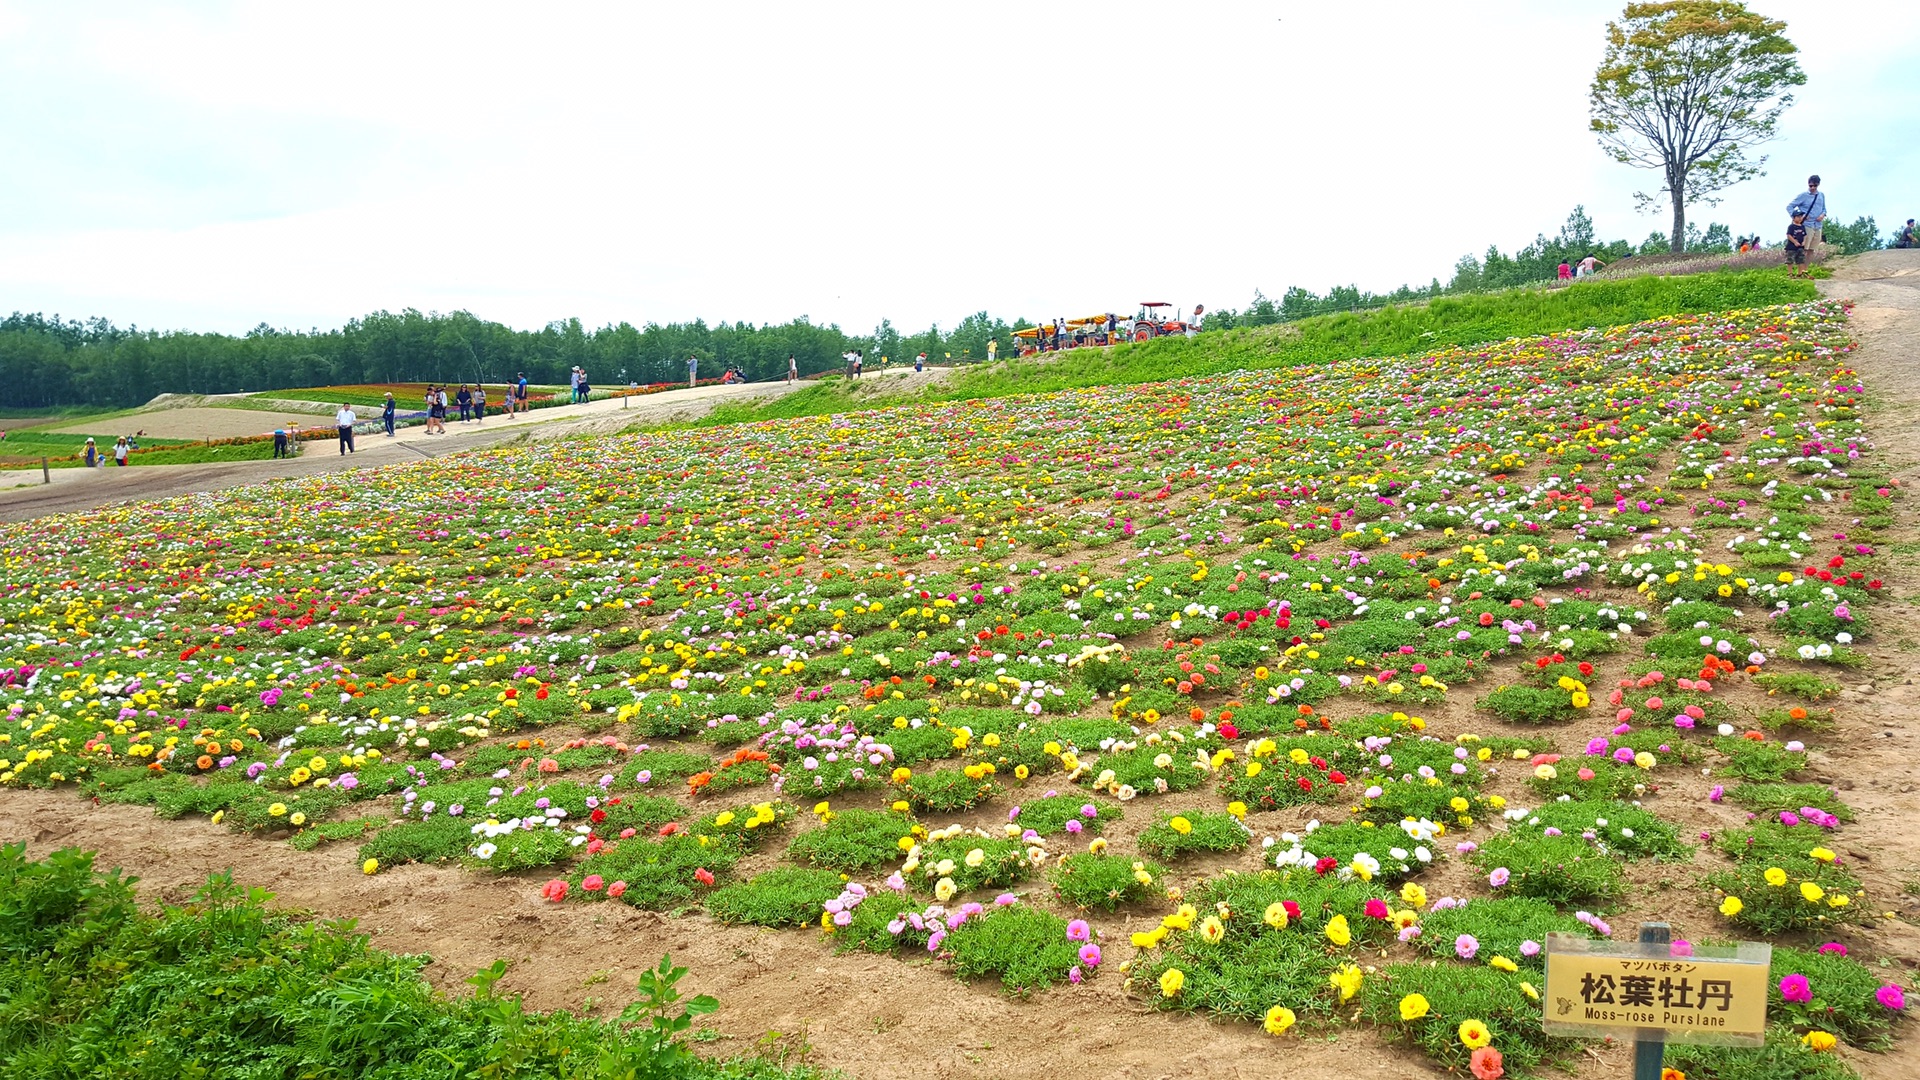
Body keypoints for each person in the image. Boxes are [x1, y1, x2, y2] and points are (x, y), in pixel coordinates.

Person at [1786, 175, 1827, 253]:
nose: (1812, 188)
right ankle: (1801, 265)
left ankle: (1808, 265)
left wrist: (1823, 214)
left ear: (1818, 184)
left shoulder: (1821, 195)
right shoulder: (1803, 195)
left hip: (1818, 225)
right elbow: (1789, 207)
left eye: (1815, 185)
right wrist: (1799, 217)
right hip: (1807, 225)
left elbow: (1824, 208)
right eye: (1810, 185)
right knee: (1804, 248)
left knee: (1812, 250)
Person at [1786, 212, 1810, 277]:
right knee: (1790, 260)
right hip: (1791, 247)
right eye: (1798, 217)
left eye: (1801, 217)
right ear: (1793, 218)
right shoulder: (1791, 226)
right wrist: (1794, 242)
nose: (1800, 218)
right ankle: (1790, 273)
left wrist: (1804, 242)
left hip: (1801, 247)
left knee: (1801, 260)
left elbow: (1805, 235)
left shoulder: (1802, 227)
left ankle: (1800, 273)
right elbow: (1789, 235)